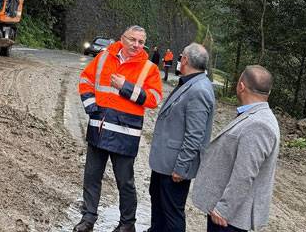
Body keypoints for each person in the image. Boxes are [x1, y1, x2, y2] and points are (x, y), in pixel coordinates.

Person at [75, 25, 163, 232]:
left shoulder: (149, 68)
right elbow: (86, 80)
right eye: (133, 40)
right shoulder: (104, 57)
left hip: (125, 133)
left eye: (141, 42)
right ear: (122, 39)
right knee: (91, 176)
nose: (137, 45)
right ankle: (88, 219)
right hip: (99, 127)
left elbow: (154, 99)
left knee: (125, 182)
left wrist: (126, 87)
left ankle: (127, 224)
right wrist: (91, 107)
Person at [191, 65, 280, 232]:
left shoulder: (259, 124)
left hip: (230, 218)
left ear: (241, 86)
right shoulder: (255, 116)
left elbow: (244, 174)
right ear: (269, 92)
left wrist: (224, 209)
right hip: (228, 215)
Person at [147, 43, 215, 232]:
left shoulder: (199, 90)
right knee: (159, 203)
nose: (179, 60)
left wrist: (181, 167)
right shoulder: (191, 82)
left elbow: (195, 135)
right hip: (165, 163)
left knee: (172, 213)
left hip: (175, 167)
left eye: (181, 56)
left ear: (185, 60)